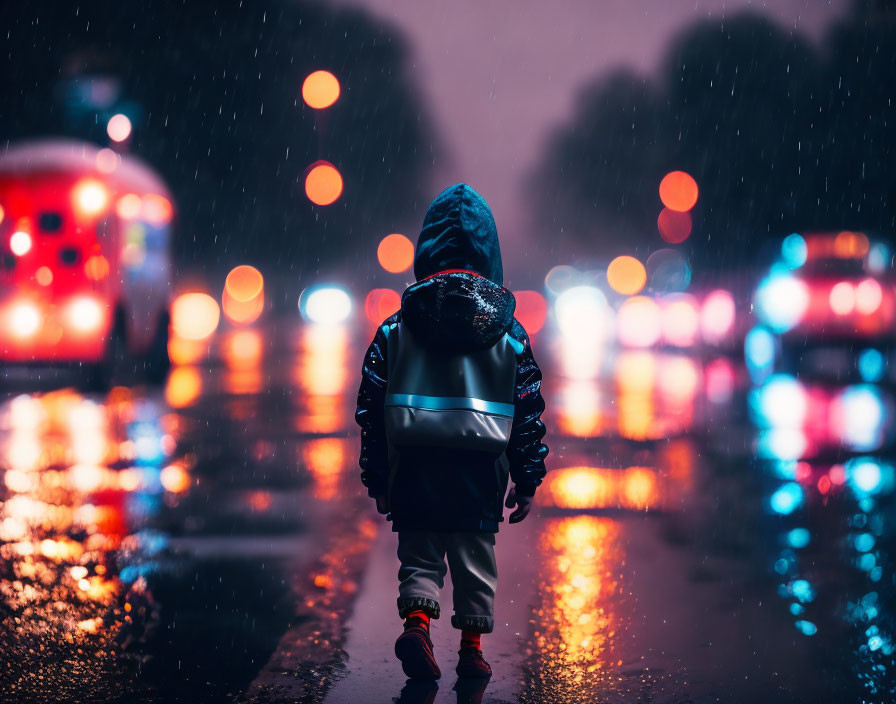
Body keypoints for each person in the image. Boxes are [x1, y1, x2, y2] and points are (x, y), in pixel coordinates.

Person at [354, 183, 549, 680]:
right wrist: (526, 478)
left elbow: (372, 407)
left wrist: (377, 476)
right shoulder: (509, 334)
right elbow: (526, 408)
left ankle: (417, 622)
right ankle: (471, 649)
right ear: (491, 255)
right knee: (475, 557)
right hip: (480, 469)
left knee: (419, 553)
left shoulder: (397, 329)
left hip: (414, 464)